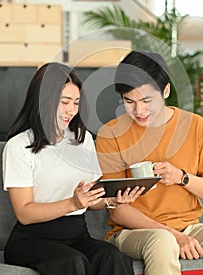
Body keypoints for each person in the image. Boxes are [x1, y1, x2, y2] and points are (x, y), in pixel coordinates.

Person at [96, 50, 203, 275]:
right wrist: (174, 235)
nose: (139, 111)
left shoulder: (195, 125)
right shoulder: (111, 133)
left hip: (191, 228)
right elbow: (117, 212)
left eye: (147, 100)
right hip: (134, 232)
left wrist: (181, 177)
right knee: (163, 241)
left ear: (166, 90)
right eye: (129, 101)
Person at [2, 62, 144, 275]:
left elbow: (91, 199)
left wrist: (110, 200)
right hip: (31, 239)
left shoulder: (81, 139)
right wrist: (72, 203)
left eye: (76, 103)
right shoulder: (19, 146)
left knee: (113, 257)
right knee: (72, 261)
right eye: (65, 102)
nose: (71, 110)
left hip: (77, 235)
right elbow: (24, 213)